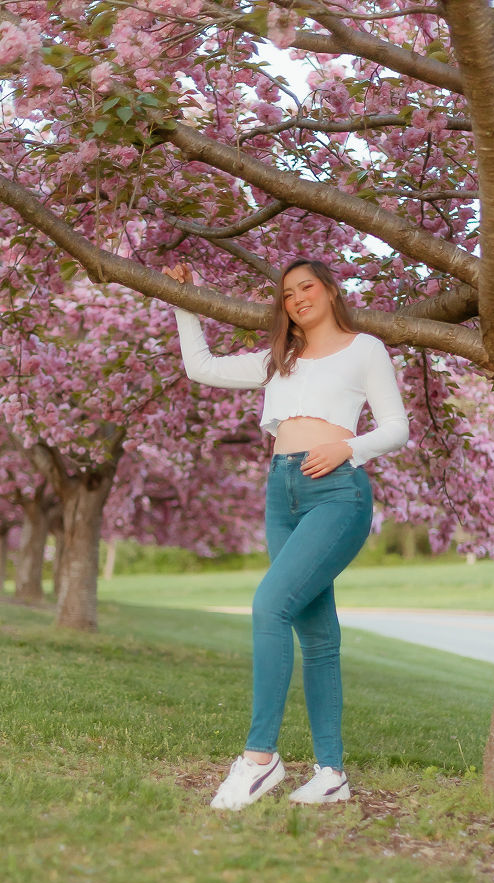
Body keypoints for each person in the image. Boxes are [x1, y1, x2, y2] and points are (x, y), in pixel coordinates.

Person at [162, 258, 409, 810]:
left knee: (270, 605)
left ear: (329, 290)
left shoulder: (365, 349)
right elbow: (200, 367)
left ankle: (259, 759)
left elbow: (397, 427)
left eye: (307, 287)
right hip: (283, 492)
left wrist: (348, 447)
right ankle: (331, 773)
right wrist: (184, 300)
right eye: (288, 292)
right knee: (317, 635)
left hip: (338, 491)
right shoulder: (281, 360)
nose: (298, 297)